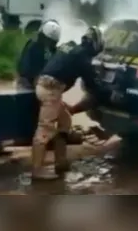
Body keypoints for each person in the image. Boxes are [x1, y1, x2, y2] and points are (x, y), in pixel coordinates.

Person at [31, 26, 107, 180]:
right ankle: (36, 171)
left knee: (65, 121)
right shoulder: (83, 58)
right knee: (45, 130)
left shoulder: (70, 45)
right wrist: (106, 94)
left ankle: (61, 162)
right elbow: (93, 87)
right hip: (51, 90)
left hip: (45, 86)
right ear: (95, 44)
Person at [0, 19, 61, 158]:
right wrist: (39, 86)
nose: (50, 43)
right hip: (28, 83)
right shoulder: (33, 47)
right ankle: (2, 142)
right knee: (25, 114)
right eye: (49, 41)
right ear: (43, 36)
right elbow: (27, 69)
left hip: (38, 83)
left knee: (37, 115)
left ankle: (35, 139)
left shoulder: (50, 49)